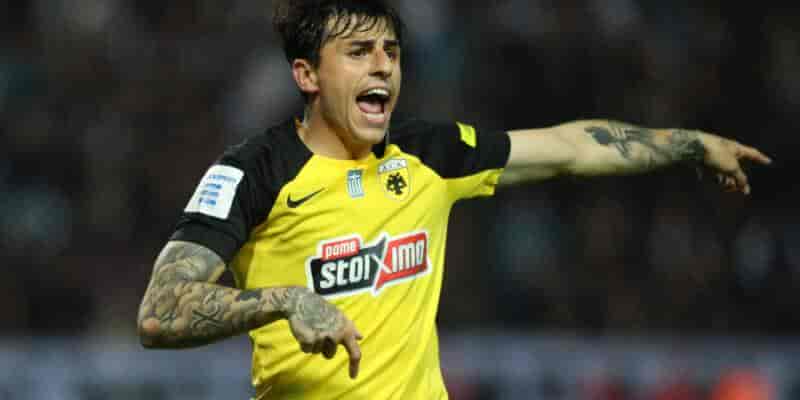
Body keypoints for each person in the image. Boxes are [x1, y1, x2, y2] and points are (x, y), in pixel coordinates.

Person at [136, 1, 772, 398]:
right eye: (358, 52)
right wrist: (287, 301)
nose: (383, 66)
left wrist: (691, 144)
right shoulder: (253, 172)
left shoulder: (428, 154)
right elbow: (160, 313)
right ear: (307, 74)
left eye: (390, 51)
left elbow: (568, 147)